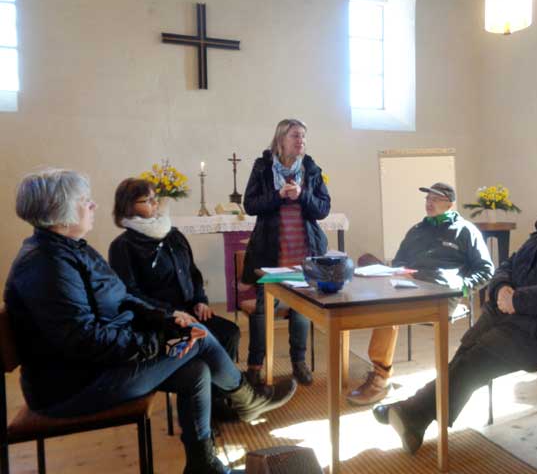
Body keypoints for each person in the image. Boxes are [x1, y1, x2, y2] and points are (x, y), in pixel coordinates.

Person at [4, 168, 297, 474]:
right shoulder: (47, 266)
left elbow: (122, 297)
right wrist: (158, 342)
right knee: (197, 337)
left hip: (99, 364)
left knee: (195, 369)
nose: (93, 205)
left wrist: (167, 318)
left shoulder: (71, 249)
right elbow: (85, 340)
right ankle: (248, 399)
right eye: (84, 200)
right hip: (73, 386)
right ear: (60, 211)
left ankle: (203, 465)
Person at [373, 175, 537, 455]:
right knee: (470, 343)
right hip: (527, 319)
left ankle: (414, 412)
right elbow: (507, 265)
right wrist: (502, 289)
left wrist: (516, 300)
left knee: (483, 352)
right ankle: (416, 415)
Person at [347, 182, 494, 405]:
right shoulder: (417, 230)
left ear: (450, 204)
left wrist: (463, 287)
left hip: (441, 293)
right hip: (409, 286)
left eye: (435, 199)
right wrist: (398, 273)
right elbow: (399, 262)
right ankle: (380, 372)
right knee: (371, 274)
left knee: (388, 311)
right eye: (427, 199)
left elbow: (486, 270)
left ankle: (380, 379)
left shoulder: (466, 231)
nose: (429, 203)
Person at [109, 178, 240, 362]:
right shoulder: (123, 246)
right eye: (147, 200)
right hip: (158, 317)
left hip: (189, 310)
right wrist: (170, 313)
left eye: (155, 198)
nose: (156, 204)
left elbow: (192, 272)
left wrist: (200, 300)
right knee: (202, 340)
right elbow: (130, 293)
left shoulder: (174, 235)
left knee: (229, 332)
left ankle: (220, 380)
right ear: (128, 206)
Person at [242, 119, 331, 387]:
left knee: (300, 309)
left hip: (303, 253)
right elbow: (250, 205)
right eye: (295, 136)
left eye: (303, 136)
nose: (301, 140)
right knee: (262, 310)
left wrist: (302, 194)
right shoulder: (262, 167)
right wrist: (279, 195)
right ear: (281, 139)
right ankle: (255, 366)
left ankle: (298, 362)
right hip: (271, 253)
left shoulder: (311, 169)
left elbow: (323, 209)